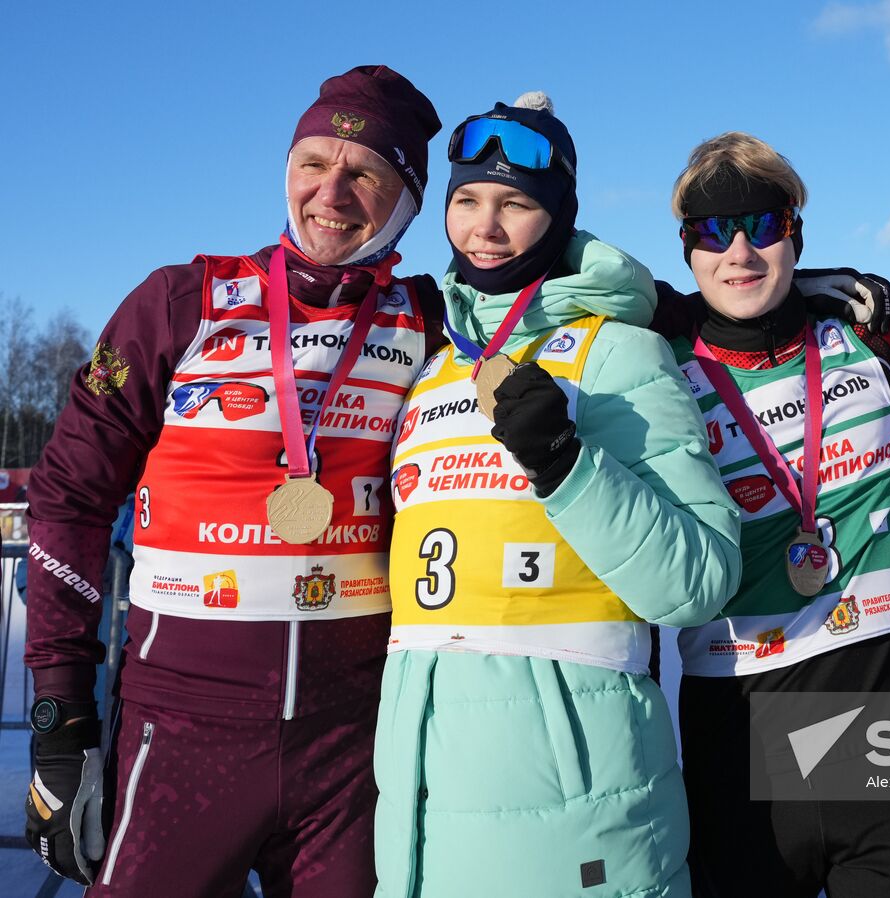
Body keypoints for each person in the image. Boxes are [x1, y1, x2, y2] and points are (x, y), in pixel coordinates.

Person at [22, 65, 443, 895]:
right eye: (312, 162)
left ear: (406, 198)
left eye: (365, 173)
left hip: (351, 742)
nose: (332, 191)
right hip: (183, 724)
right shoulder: (184, 300)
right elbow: (69, 495)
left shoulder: (431, 319)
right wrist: (59, 707)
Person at [374, 94, 741, 898]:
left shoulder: (620, 355)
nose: (486, 226)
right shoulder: (434, 365)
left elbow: (700, 581)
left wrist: (566, 463)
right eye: (467, 200)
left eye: (516, 204)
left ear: (560, 216)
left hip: (575, 814)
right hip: (418, 804)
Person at [662, 132, 890, 898]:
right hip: (738, 727)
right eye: (710, 232)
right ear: (686, 249)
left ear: (795, 233)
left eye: (762, 225)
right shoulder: (656, 365)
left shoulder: (867, 333)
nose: (739, 252)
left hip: (878, 719)